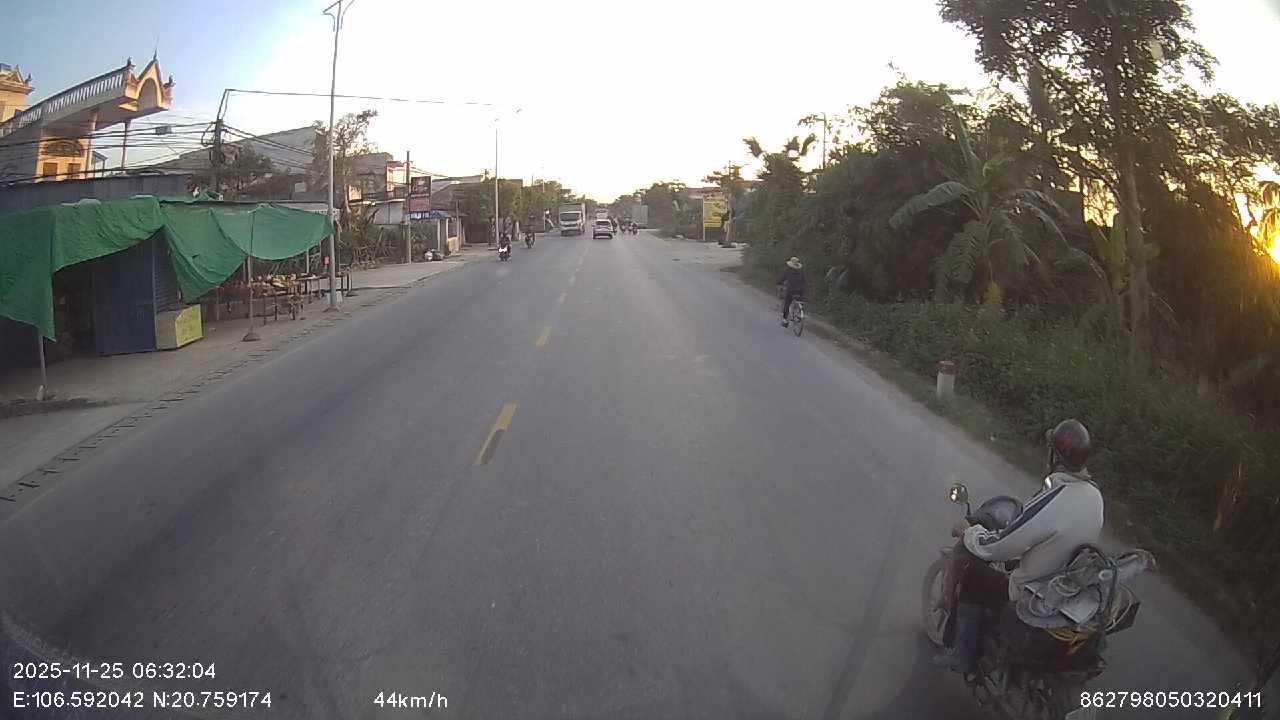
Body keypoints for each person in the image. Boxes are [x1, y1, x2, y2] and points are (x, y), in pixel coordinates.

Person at [933, 418, 1102, 674]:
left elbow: (1002, 545)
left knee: (974, 575)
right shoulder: (1095, 496)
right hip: (1063, 584)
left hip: (1030, 590)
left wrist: (971, 533)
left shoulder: (1055, 499)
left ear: (1055, 457)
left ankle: (962, 656)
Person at [777, 257, 807, 327]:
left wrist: (779, 284)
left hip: (790, 290)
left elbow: (781, 279)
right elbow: (804, 282)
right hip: (800, 291)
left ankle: (785, 320)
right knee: (799, 301)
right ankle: (798, 314)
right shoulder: (801, 272)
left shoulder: (787, 271)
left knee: (787, 303)